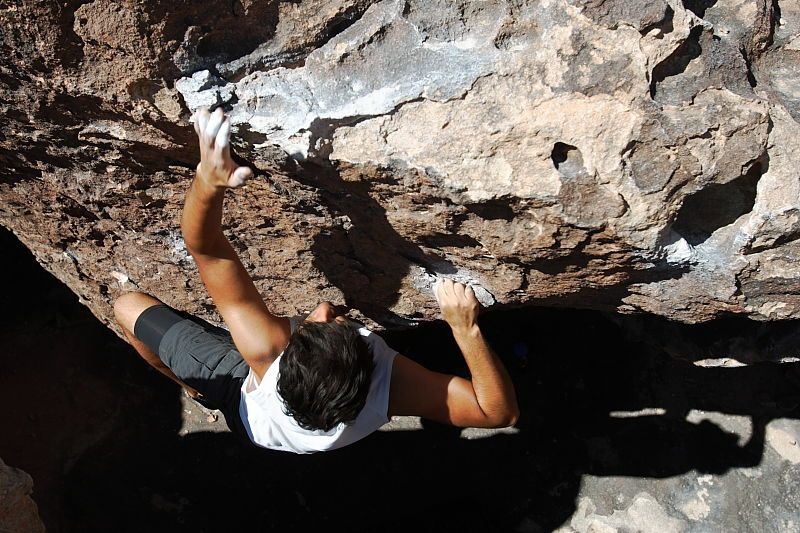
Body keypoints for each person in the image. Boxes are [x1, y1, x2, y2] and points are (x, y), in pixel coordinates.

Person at [113, 106, 519, 453]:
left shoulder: (265, 353)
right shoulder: (391, 386)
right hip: (287, 430)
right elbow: (499, 412)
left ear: (283, 359)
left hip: (245, 414)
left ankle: (193, 387)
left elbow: (207, 247)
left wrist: (208, 179)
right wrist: (465, 330)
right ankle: (193, 386)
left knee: (127, 308)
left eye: (312, 326)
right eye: (340, 323)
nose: (324, 308)